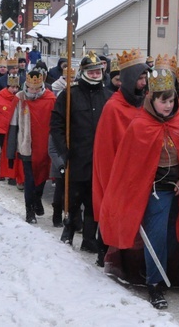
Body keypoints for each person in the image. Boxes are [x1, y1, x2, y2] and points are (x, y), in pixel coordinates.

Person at [99, 68, 179, 309]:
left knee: (171, 235)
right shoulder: (139, 125)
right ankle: (154, 284)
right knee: (156, 236)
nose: (168, 106)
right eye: (162, 100)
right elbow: (130, 166)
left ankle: (155, 271)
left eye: (171, 100)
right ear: (152, 99)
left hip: (176, 190)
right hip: (153, 191)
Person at [92, 48, 149, 273]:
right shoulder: (113, 108)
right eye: (139, 78)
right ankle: (111, 258)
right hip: (119, 175)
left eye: (145, 78)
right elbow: (105, 151)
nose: (143, 83)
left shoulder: (145, 105)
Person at [50, 52, 112, 251]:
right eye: (91, 72)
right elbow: (56, 123)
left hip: (100, 159)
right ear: (84, 72)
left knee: (94, 201)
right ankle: (68, 230)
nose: (95, 75)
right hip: (76, 155)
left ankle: (89, 239)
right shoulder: (70, 94)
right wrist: (63, 150)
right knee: (74, 198)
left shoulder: (109, 97)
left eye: (98, 71)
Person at [6, 70, 57, 224]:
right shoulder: (20, 99)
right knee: (29, 179)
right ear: (26, 86)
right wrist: (10, 150)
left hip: (44, 146)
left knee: (41, 178)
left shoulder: (50, 99)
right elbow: (13, 124)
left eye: (36, 88)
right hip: (26, 145)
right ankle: (30, 211)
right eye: (31, 88)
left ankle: (37, 199)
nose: (33, 91)